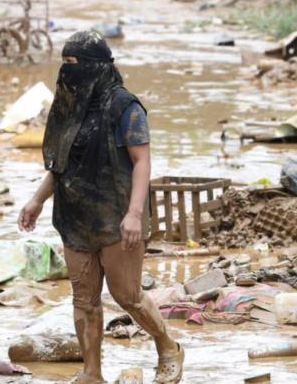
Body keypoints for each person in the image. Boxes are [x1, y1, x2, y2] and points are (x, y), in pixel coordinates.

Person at [18, 31, 184, 384]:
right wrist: (36, 200)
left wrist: (135, 214)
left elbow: (142, 162)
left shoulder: (125, 106)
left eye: (73, 64)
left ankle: (168, 347)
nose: (67, 71)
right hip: (75, 215)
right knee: (84, 299)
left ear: (95, 66)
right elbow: (61, 165)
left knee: (128, 296)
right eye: (63, 63)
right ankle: (92, 372)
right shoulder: (68, 107)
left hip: (118, 215)